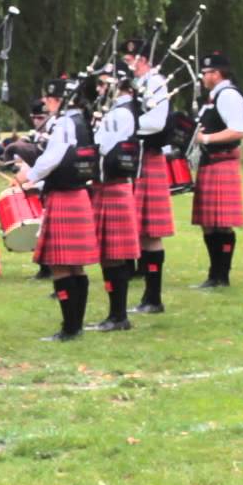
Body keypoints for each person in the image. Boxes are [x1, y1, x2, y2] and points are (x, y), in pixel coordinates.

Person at [17, 77, 100, 341]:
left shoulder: (65, 122)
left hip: (64, 196)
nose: (48, 104)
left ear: (58, 100)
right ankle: (76, 324)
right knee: (76, 267)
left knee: (61, 266)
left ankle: (70, 327)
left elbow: (53, 157)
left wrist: (31, 175)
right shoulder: (84, 120)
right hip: (79, 194)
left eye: (50, 99)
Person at [87, 63, 141, 331]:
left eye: (104, 82)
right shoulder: (116, 112)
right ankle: (116, 314)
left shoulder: (120, 114)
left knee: (114, 254)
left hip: (113, 185)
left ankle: (118, 315)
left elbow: (104, 147)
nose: (99, 88)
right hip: (109, 186)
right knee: (108, 254)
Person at [123, 38, 173, 313]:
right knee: (142, 232)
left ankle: (153, 298)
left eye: (131, 60)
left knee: (151, 233)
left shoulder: (157, 83)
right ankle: (148, 295)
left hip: (149, 159)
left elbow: (156, 122)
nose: (128, 64)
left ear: (143, 60)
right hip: (135, 161)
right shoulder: (138, 85)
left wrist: (123, 126)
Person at [192, 52, 243, 287]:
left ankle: (221, 275)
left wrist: (205, 139)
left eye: (206, 73)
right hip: (210, 163)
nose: (203, 77)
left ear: (216, 74)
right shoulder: (214, 97)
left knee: (222, 223)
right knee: (209, 222)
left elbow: (237, 130)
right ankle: (213, 274)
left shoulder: (228, 96)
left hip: (221, 161)